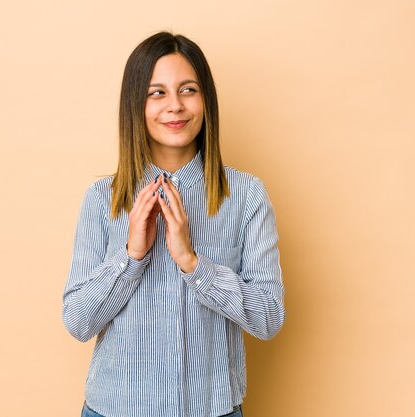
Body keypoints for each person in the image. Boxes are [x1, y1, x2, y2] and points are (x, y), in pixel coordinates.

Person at [62, 31, 285, 417]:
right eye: (157, 93)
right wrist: (131, 257)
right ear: (136, 103)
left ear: (206, 100)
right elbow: (78, 322)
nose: (176, 106)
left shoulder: (247, 196)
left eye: (188, 90)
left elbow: (269, 318)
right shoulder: (103, 198)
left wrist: (194, 264)